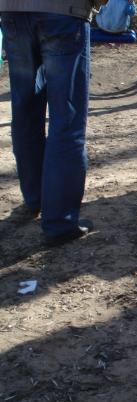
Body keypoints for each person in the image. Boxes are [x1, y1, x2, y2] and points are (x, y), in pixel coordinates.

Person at [0, 0, 95, 246]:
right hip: (64, 12)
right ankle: (60, 221)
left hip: (13, 10)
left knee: (25, 112)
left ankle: (36, 198)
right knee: (67, 119)